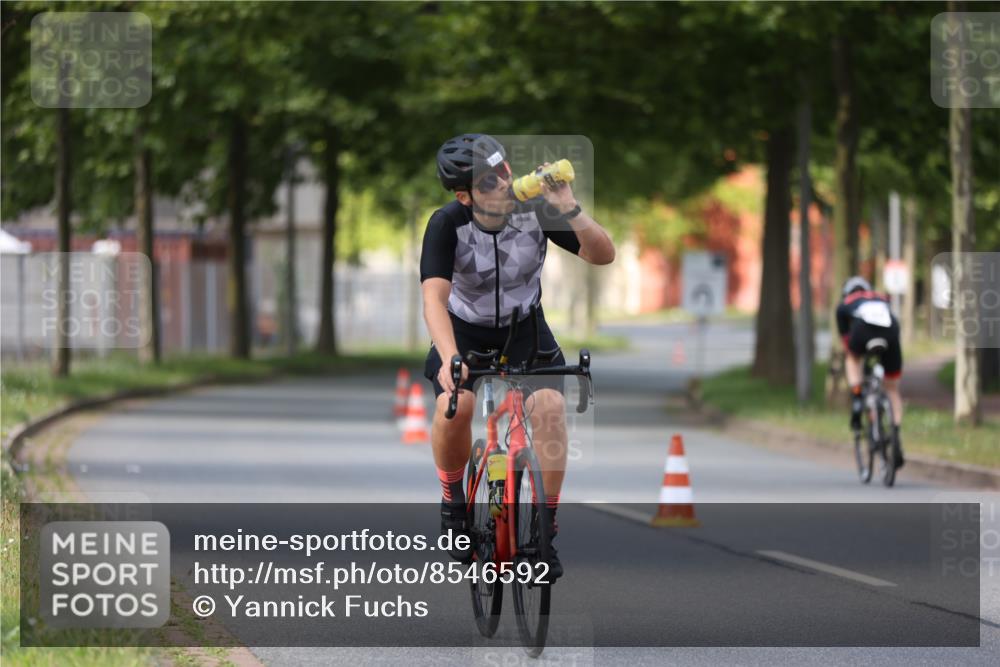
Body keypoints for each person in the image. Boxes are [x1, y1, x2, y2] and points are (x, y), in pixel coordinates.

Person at [420, 134, 615, 578]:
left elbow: (603, 254)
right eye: (490, 180)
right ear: (464, 195)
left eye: (505, 170)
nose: (505, 183)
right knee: (457, 406)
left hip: (525, 329)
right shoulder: (447, 223)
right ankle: (453, 503)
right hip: (465, 332)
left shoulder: (537, 210)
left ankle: (545, 526)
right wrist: (451, 360)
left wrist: (568, 205)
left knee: (548, 405)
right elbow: (434, 299)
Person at [836, 276, 905, 468]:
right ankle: (895, 432)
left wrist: (855, 352)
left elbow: (845, 339)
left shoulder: (845, 304)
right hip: (891, 332)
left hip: (862, 331)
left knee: (852, 358)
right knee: (892, 389)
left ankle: (857, 396)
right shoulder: (880, 297)